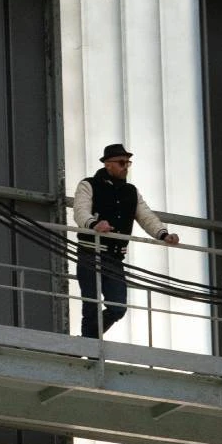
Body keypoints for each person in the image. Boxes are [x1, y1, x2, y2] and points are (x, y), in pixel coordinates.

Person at [70, 143, 180, 338]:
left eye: (128, 163)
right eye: (121, 162)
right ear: (108, 165)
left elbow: (146, 216)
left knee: (118, 306)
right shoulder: (88, 185)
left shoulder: (131, 191)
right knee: (91, 304)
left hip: (114, 257)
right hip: (90, 252)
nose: (125, 167)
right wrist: (94, 224)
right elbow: (80, 211)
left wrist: (163, 234)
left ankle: (87, 341)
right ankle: (89, 344)